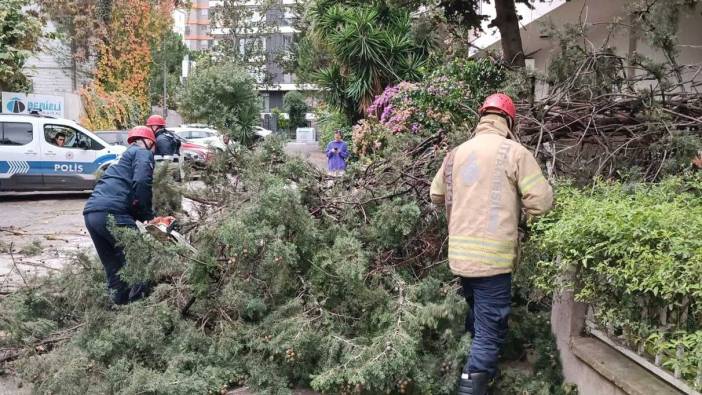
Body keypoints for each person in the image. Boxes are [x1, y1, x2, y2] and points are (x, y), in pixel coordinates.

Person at [429, 93, 553, 395]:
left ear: (482, 118)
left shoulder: (455, 154)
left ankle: (484, 381)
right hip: (492, 262)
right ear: (509, 121)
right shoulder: (514, 153)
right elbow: (543, 202)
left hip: (460, 258)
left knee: (476, 321)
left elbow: (435, 195)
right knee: (489, 332)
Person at [83, 126, 167, 305]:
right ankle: (139, 310)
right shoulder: (143, 153)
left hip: (92, 213)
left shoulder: (120, 160)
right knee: (141, 259)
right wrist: (147, 216)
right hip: (112, 213)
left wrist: (143, 217)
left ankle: (118, 313)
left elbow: (126, 193)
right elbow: (142, 182)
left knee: (114, 268)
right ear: (150, 142)